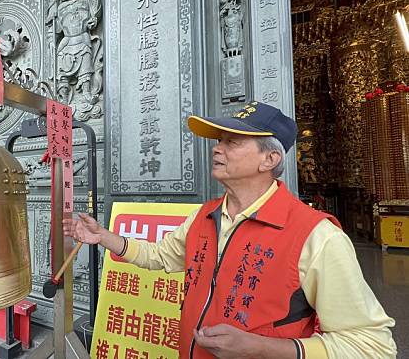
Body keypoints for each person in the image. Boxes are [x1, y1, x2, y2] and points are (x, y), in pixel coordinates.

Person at [63, 102, 396, 359]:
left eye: (232, 142)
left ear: (270, 159)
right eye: (218, 140)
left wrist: (265, 348)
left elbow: (372, 344)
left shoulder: (317, 237)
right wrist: (104, 237)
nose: (216, 148)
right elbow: (161, 256)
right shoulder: (205, 215)